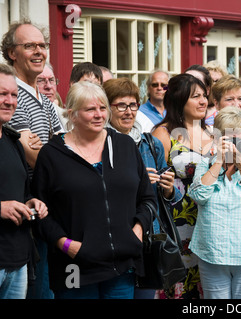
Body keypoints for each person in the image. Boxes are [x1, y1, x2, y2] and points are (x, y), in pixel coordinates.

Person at [31, 81, 157, 299]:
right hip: (74, 266)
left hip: (121, 265)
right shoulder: (52, 154)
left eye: (102, 108)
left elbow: (147, 198)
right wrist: (65, 244)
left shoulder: (125, 146)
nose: (99, 115)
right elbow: (40, 212)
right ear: (72, 114)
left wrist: (136, 232)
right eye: (90, 109)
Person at [103, 77, 182, 299]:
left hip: (148, 237)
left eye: (133, 105)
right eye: (121, 105)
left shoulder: (150, 143)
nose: (128, 111)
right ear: (107, 107)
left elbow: (169, 197)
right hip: (115, 235)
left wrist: (167, 188)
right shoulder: (100, 143)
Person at [1, 19, 62, 299]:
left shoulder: (44, 98)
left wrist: (50, 151)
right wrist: (52, 153)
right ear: (12, 52)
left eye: (42, 45)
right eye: (30, 46)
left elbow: (61, 149)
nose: (39, 51)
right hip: (22, 226)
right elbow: (37, 158)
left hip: (42, 212)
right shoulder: (16, 100)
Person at [188, 107, 241, 299]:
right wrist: (218, 161)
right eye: (228, 140)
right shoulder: (206, 164)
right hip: (212, 255)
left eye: (238, 140)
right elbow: (198, 196)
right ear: (217, 140)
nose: (233, 146)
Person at [152, 73, 213, 299]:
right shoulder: (164, 133)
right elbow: (153, 180)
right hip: (178, 223)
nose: (203, 101)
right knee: (182, 288)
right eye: (195, 96)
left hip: (209, 220)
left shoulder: (212, 132)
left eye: (204, 96)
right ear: (179, 100)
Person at [0, 63, 48, 299]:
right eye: (2, 94)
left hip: (17, 260)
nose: (9, 101)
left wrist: (32, 203)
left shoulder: (13, 140)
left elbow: (22, 193)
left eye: (14, 95)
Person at [37, 63, 67, 131]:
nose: (48, 86)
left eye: (51, 80)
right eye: (40, 80)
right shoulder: (24, 116)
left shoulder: (68, 117)